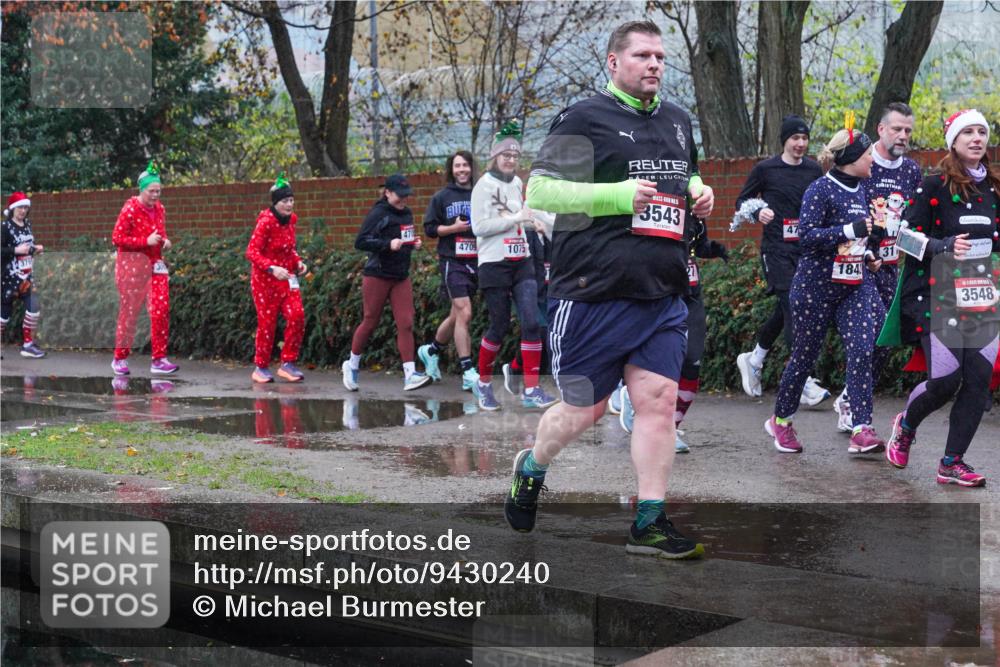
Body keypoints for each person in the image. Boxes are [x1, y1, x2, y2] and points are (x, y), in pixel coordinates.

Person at [504, 21, 714, 560]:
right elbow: (544, 190)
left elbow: (680, 173)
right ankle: (533, 466)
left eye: (660, 57)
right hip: (592, 292)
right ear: (613, 62)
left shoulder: (676, 120)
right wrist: (617, 196)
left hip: (661, 292)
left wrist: (698, 190)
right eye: (642, 55)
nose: (654, 65)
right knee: (583, 412)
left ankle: (648, 521)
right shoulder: (586, 118)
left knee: (658, 403)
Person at [882, 109, 998, 487]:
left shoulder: (996, 188)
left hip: (984, 295)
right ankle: (907, 425)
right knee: (946, 381)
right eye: (969, 133)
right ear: (953, 142)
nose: (977, 139)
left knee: (979, 380)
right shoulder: (934, 185)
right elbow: (903, 237)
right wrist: (946, 244)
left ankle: (952, 462)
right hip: (939, 293)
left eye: (982, 132)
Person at [765, 120, 885, 454]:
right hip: (815, 288)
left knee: (863, 348)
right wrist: (849, 230)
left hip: (853, 286)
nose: (873, 160)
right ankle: (782, 420)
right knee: (805, 356)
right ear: (852, 158)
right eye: (869, 154)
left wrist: (870, 254)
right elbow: (807, 237)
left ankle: (861, 427)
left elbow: (859, 237)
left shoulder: (862, 188)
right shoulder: (820, 189)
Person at [832, 102, 923, 431]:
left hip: (891, 265)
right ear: (881, 129)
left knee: (885, 340)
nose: (903, 136)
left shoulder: (911, 171)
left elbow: (912, 221)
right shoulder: (861, 162)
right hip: (860, 263)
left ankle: (848, 396)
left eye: (908, 130)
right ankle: (855, 411)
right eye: (897, 129)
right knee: (869, 333)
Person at [733, 116, 829, 405]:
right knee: (793, 306)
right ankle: (803, 380)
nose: (800, 144)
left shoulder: (814, 169)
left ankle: (754, 359)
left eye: (804, 138)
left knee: (785, 308)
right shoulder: (766, 169)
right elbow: (742, 202)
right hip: (775, 250)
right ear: (784, 141)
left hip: (805, 250)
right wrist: (757, 211)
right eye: (794, 138)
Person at [618, 216, 728, 453]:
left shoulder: (694, 205)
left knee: (692, 359)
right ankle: (634, 396)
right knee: (660, 360)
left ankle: (671, 426)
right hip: (661, 291)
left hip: (691, 293)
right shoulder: (654, 201)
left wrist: (713, 249)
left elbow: (699, 245)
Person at [470, 121, 558, 411]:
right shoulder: (483, 186)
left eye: (515, 156)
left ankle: (531, 389)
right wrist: (516, 218)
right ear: (494, 157)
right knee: (498, 326)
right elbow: (479, 227)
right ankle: (483, 384)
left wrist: (534, 223)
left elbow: (523, 216)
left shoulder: (518, 184)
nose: (510, 160)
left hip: (522, 261)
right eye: (505, 156)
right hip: (494, 263)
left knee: (532, 322)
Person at [342, 174, 433, 392]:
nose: (404, 200)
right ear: (388, 193)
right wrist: (387, 244)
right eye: (399, 196)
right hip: (378, 275)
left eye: (406, 196)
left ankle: (410, 374)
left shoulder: (407, 213)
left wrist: (413, 243)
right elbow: (361, 241)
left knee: (406, 322)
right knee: (370, 320)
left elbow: (404, 239)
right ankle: (352, 364)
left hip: (400, 276)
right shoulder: (378, 213)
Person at [417, 150, 480, 392]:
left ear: (471, 168)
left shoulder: (480, 194)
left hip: (476, 260)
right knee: (465, 313)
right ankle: (467, 371)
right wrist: (453, 228)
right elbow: (430, 229)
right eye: (457, 166)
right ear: (451, 170)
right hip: (451, 261)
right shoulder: (441, 197)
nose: (462, 170)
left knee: (456, 316)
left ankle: (431, 350)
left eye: (465, 165)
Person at [111, 161, 179, 376]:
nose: (156, 195)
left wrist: (165, 241)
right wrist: (145, 241)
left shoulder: (160, 209)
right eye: (152, 191)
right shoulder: (130, 209)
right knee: (129, 314)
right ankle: (119, 359)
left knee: (160, 311)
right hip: (131, 268)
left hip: (155, 267)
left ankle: (159, 359)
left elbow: (160, 233)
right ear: (142, 190)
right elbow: (117, 238)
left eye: (159, 191)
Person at [246, 173, 307, 383]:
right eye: (285, 201)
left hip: (287, 279)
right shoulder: (265, 223)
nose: (289, 204)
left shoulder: (291, 222)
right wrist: (272, 268)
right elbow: (252, 252)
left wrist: (298, 262)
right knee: (267, 324)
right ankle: (260, 367)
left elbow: (289, 249)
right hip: (265, 282)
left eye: (291, 200)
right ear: (275, 203)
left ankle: (288, 363)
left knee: (297, 315)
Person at [501, 203, 555, 396]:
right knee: (538, 330)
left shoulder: (562, 210)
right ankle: (530, 386)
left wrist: (547, 231)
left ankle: (515, 369)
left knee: (550, 333)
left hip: (551, 287)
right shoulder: (524, 216)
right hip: (529, 286)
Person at [1, 192, 46, 358]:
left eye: (26, 207)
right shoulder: (5, 227)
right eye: (20, 207)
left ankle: (27, 345)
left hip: (26, 278)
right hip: (8, 278)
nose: (23, 211)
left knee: (34, 307)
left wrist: (36, 249)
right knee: (3, 316)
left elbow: (27, 247)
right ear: (13, 208)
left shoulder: (27, 225)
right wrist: (14, 250)